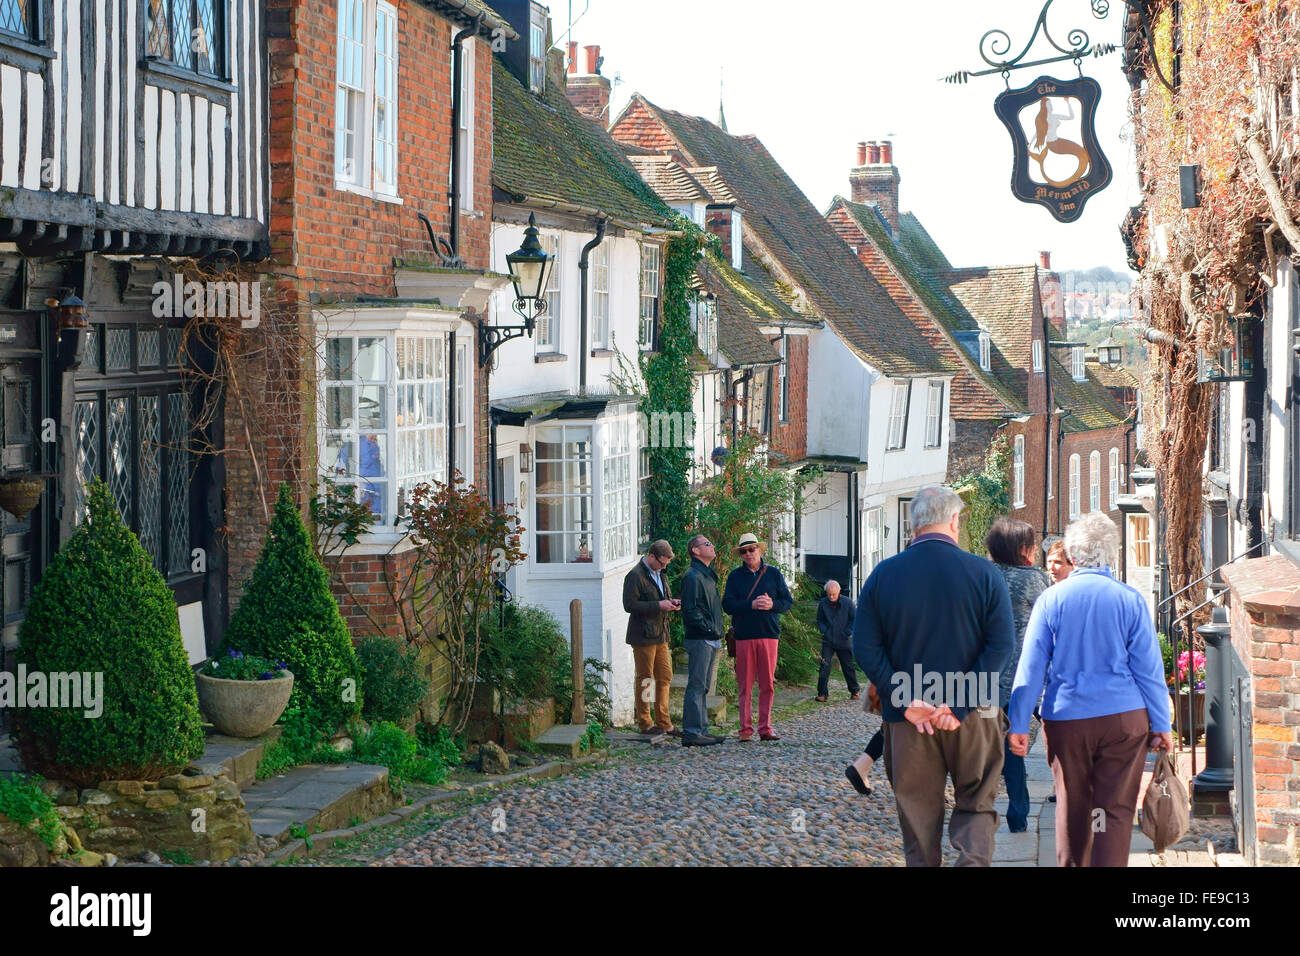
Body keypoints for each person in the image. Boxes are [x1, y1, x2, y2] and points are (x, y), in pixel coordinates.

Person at [853, 486, 1014, 867]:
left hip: (910, 719)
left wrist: (905, 699)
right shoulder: (985, 574)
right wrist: (958, 705)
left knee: (918, 818)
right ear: (955, 521)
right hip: (974, 714)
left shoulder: (883, 575)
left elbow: (865, 648)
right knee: (976, 805)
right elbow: (1000, 648)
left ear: (913, 526)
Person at [1008, 512, 1173, 867]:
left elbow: (1031, 668)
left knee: (1073, 805)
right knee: (1112, 810)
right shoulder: (1129, 600)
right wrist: (1161, 723)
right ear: (1112, 554)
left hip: (1068, 719)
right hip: (1123, 719)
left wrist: (1019, 723)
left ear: (1073, 554)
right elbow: (1149, 671)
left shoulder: (1051, 600)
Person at [986, 517, 1051, 833]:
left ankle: (978, 808)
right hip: (1019, 680)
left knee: (982, 746)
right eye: (1031, 544)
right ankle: (1018, 812)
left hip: (982, 678)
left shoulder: (984, 575)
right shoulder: (1035, 580)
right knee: (1014, 745)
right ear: (1021, 549)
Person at [722, 532, 793, 742]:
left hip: (769, 635)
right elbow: (727, 605)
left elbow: (787, 602)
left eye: (752, 549)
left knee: (767, 685)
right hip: (744, 636)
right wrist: (750, 605)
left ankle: (765, 728)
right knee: (744, 685)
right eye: (744, 551)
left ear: (760, 550)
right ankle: (745, 730)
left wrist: (772, 605)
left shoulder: (773, 574)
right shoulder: (735, 577)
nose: (748, 554)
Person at [623, 540, 680, 738]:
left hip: (661, 633)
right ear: (652, 556)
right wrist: (658, 605)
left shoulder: (660, 573)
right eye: (662, 563)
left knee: (665, 676)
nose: (664, 567)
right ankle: (645, 722)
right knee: (646, 679)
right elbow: (629, 605)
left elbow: (663, 596)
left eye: (666, 564)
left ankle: (664, 722)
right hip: (642, 635)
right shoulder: (635, 575)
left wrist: (671, 602)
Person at [678, 535, 726, 747]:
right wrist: (709, 628)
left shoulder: (706, 575)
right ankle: (691, 732)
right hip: (700, 638)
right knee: (696, 685)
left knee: (704, 686)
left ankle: (702, 729)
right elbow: (690, 611)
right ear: (696, 551)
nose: (712, 546)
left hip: (710, 637)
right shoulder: (692, 576)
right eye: (707, 544)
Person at [815, 580, 860, 702]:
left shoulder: (848, 602)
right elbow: (819, 620)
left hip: (844, 640)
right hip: (828, 640)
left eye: (833, 594)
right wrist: (824, 630)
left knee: (848, 666)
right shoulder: (823, 603)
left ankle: (854, 690)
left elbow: (855, 619)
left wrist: (847, 632)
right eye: (829, 594)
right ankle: (822, 693)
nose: (831, 596)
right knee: (824, 666)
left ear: (839, 591)